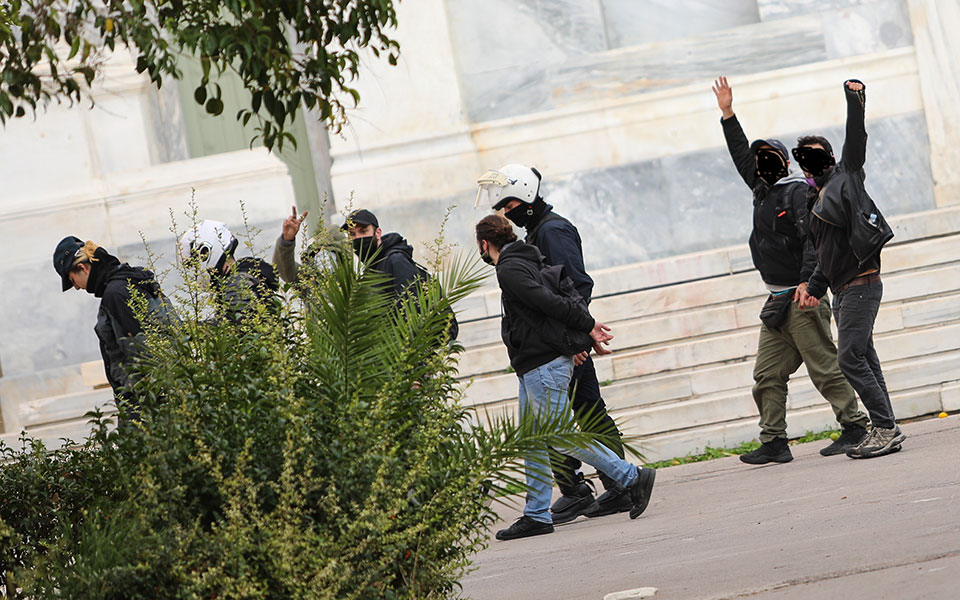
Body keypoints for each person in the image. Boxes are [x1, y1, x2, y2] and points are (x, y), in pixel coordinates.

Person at [711, 76, 870, 464]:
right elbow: (741, 158)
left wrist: (807, 282)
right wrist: (728, 113)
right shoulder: (761, 190)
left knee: (825, 368)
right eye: (759, 158)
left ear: (784, 163)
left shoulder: (797, 192)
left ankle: (856, 426)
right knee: (766, 374)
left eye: (770, 157)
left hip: (803, 298)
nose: (762, 162)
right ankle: (775, 442)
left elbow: (813, 241)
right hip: (776, 301)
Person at [476, 214, 656, 541]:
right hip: (535, 364)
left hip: (543, 364)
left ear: (484, 244)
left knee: (558, 435)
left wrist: (586, 326)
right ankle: (537, 514)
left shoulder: (510, 269)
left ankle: (631, 476)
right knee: (532, 439)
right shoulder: (527, 259)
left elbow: (547, 302)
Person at [795, 79, 902, 459]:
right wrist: (812, 285)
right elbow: (825, 253)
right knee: (865, 357)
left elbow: (855, 137)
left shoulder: (847, 175)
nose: (811, 162)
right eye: (804, 157)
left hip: (861, 284)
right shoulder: (814, 198)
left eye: (816, 153)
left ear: (828, 155)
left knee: (849, 357)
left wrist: (854, 98)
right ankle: (885, 424)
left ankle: (884, 427)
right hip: (842, 290)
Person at [53, 236, 175, 425]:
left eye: (72, 280)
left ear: (83, 268)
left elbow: (141, 356)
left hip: (146, 405)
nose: (76, 287)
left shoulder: (115, 293)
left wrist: (142, 413)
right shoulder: (130, 281)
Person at [342, 208, 458, 340]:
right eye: (352, 234)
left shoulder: (395, 260)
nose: (358, 239)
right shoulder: (370, 271)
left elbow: (411, 310)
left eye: (363, 231)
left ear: (377, 232)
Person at [179, 220, 279, 322]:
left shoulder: (238, 283)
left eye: (194, 264)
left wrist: (184, 330)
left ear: (205, 252)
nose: (195, 271)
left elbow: (233, 328)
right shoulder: (249, 276)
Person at [272, 205, 347, 285]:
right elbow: (285, 270)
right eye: (319, 254)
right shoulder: (310, 281)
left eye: (332, 256)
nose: (324, 261)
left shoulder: (354, 282)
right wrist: (286, 241)